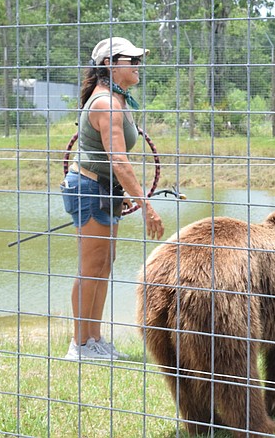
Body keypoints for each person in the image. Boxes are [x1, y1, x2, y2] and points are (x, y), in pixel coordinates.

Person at [60, 37, 165, 361]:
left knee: (104, 265)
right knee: (92, 267)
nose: (137, 65)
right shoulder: (105, 103)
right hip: (91, 189)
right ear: (109, 64)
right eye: (130, 59)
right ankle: (80, 345)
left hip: (105, 190)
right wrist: (147, 207)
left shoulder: (117, 100)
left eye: (138, 59)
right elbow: (119, 161)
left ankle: (94, 339)